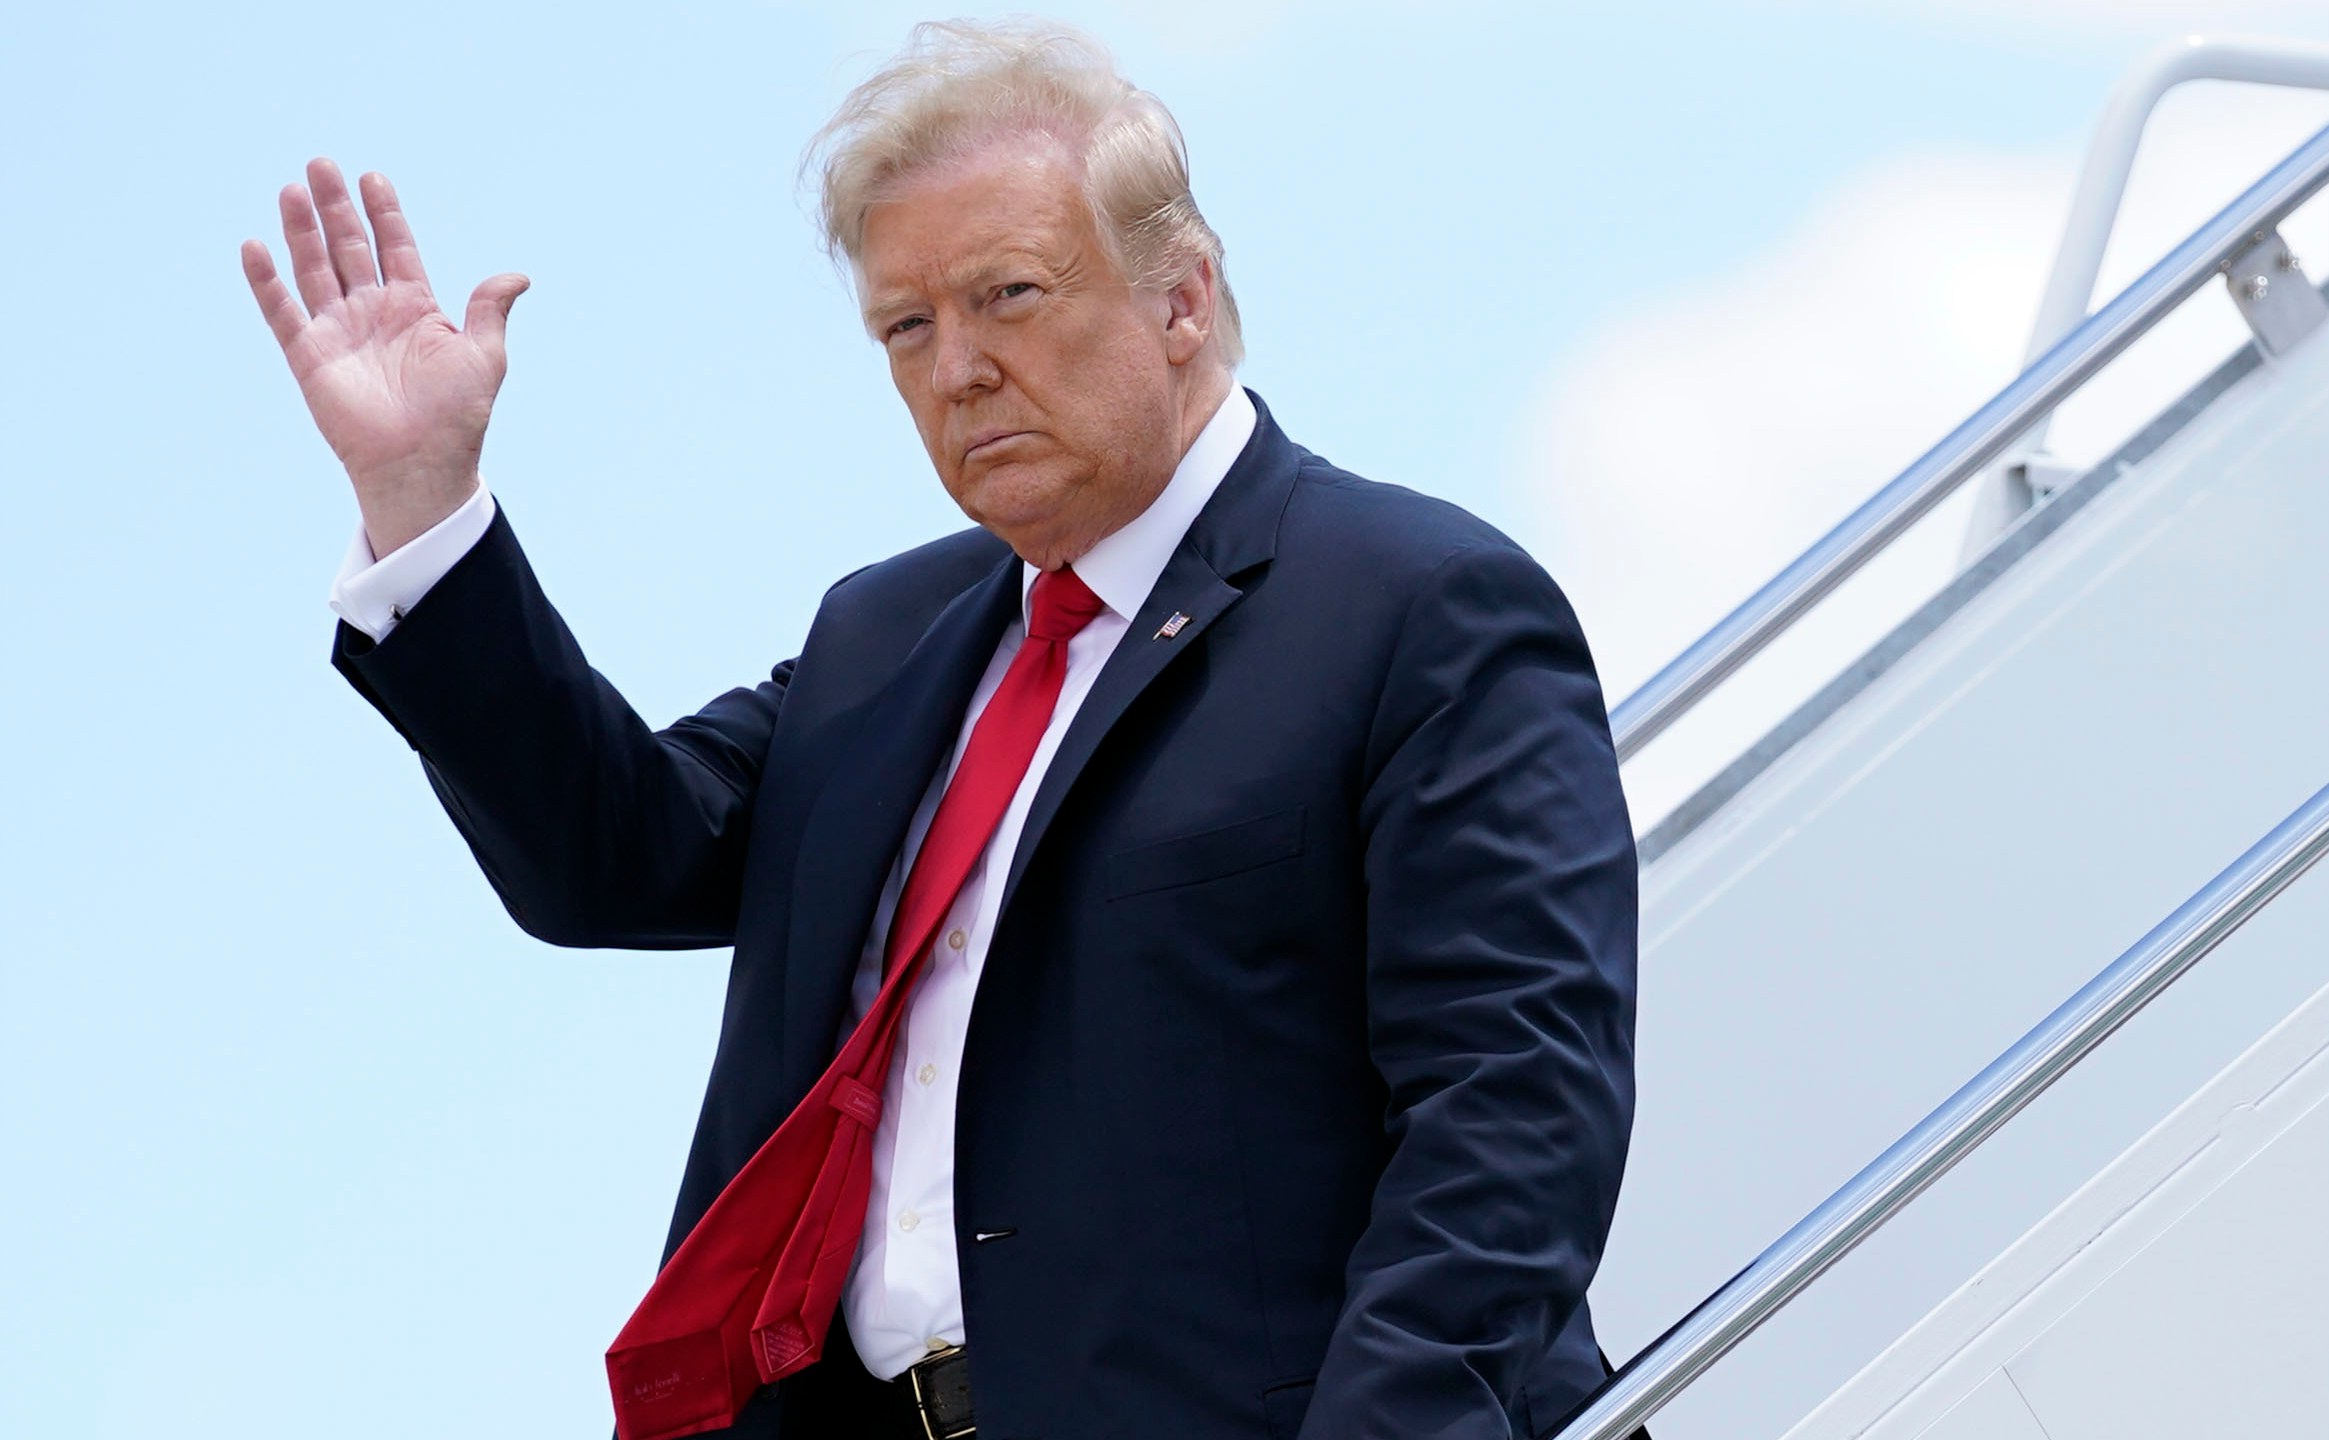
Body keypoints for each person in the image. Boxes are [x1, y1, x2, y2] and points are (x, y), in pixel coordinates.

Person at [242, 20, 1638, 1440]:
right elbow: (614, 854)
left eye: (1008, 295)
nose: (955, 367)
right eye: (906, 326)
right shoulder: (883, 639)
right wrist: (427, 508)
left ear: (1180, 296)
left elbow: (1510, 1118)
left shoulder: (1417, 608)